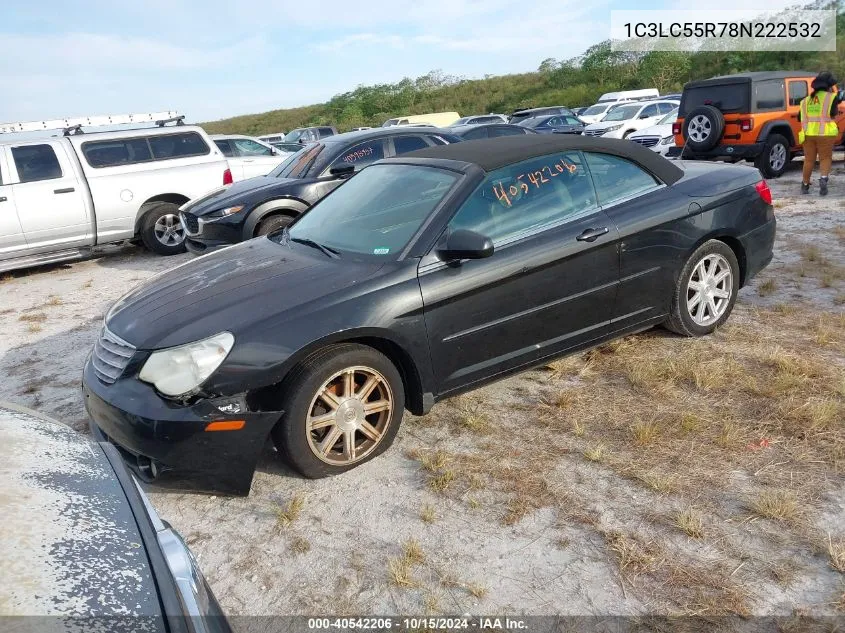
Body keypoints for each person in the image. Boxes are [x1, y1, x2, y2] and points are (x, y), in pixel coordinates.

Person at [798, 71, 842, 196]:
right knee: (825, 158)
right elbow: (833, 114)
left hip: (808, 134)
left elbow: (799, 117)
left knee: (809, 160)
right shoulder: (831, 97)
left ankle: (805, 184)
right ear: (828, 86)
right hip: (826, 133)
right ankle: (823, 179)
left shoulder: (805, 101)